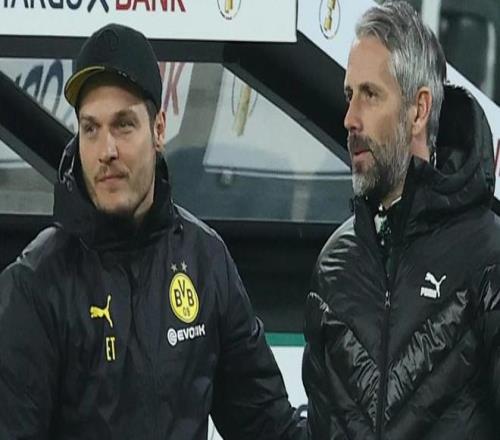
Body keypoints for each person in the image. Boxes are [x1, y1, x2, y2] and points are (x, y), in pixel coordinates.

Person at [0, 23, 305, 440]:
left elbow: (267, 426)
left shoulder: (205, 260)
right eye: (91, 128)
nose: (106, 150)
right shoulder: (35, 283)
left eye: (123, 125)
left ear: (159, 129)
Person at [302, 2, 500, 439]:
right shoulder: (334, 265)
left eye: (370, 95)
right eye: (349, 95)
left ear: (418, 110)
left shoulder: (488, 256)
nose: (350, 119)